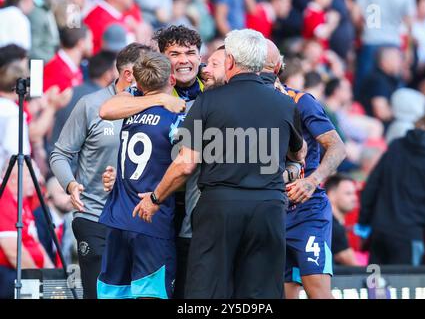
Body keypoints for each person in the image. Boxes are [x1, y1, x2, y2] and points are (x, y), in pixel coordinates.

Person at [133, 29, 304, 299]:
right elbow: (298, 153)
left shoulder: (208, 100)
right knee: (261, 295)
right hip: (268, 209)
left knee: (208, 293)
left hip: (220, 207)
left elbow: (186, 163)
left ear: (231, 62)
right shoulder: (285, 103)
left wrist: (155, 198)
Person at [49, 43, 184, 299]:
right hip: (95, 213)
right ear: (129, 75)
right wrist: (70, 184)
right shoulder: (93, 105)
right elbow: (60, 153)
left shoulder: (163, 107)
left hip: (136, 216)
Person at [99, 25, 203, 299]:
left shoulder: (212, 85)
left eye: (190, 53)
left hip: (190, 214)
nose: (183, 60)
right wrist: (160, 98)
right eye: (175, 53)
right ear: (163, 61)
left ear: (200, 57)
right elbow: (107, 109)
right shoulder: (148, 92)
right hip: (153, 210)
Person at [260, 39, 346, 299]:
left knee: (317, 290)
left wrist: (312, 180)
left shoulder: (301, 100)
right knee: (284, 294)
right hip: (270, 210)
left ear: (277, 69)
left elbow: (337, 147)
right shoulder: (247, 105)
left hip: (305, 209)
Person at [358, 103, 425, 265]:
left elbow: (372, 185)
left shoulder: (397, 145)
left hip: (379, 232)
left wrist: (364, 223)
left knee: (376, 288)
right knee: (406, 288)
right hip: (408, 237)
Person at [0, 163, 54, 299]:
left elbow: (36, 243)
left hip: (27, 273)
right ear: (13, 178)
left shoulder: (22, 200)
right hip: (10, 274)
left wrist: (53, 275)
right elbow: (13, 252)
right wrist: (40, 281)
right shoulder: (3, 198)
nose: (37, 181)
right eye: (30, 176)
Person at [49, 50, 119, 154]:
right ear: (108, 75)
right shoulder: (103, 102)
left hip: (58, 160)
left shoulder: (70, 92)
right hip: (79, 166)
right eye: (118, 70)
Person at [324, 174, 360, 266]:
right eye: (348, 193)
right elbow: (353, 265)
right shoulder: (332, 226)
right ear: (331, 195)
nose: (355, 198)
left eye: (354, 193)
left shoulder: (329, 221)